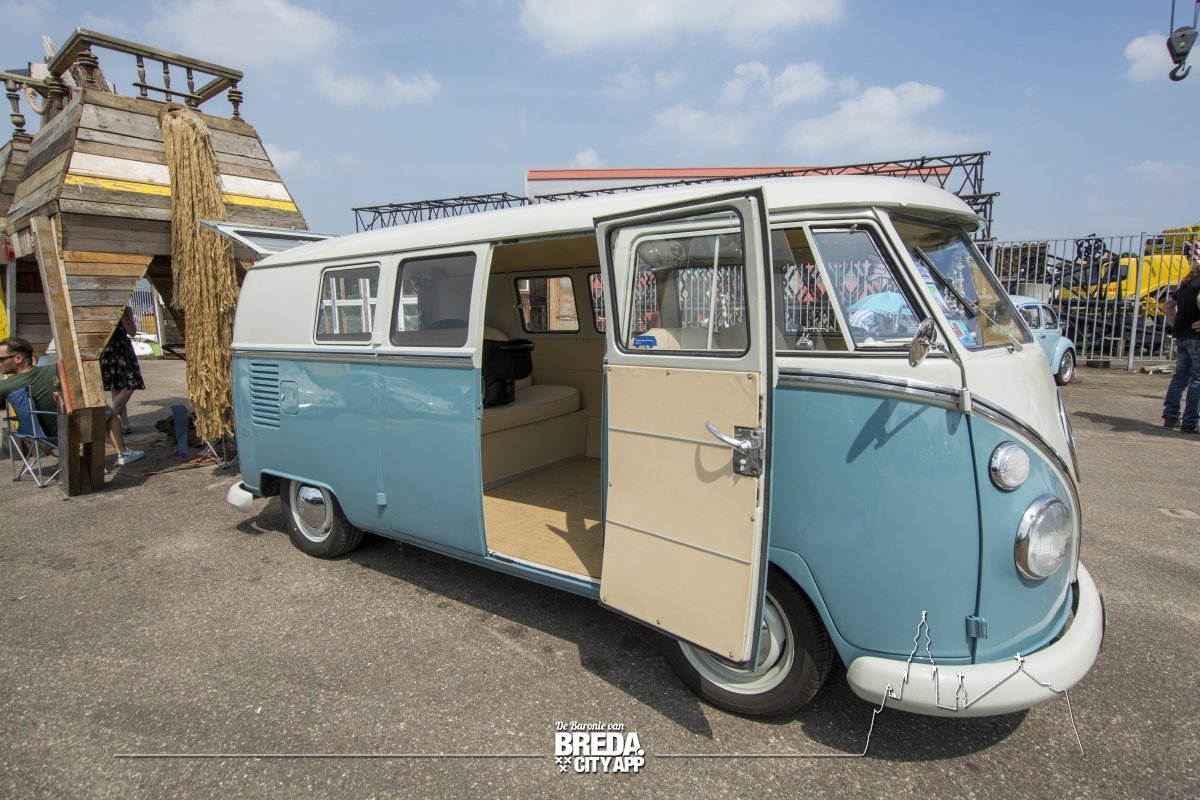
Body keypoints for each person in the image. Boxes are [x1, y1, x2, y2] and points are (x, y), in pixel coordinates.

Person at [1162, 246, 1200, 434]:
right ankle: (1190, 422)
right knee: (1197, 380)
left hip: (1182, 335)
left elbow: (1167, 306)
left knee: (1180, 377)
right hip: (1196, 338)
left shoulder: (1186, 284)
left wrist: (1176, 322)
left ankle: (1170, 417)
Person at [0, 337, 60, 437]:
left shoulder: (7, 385)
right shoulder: (55, 370)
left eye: (1, 359)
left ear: (18, 359)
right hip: (67, 432)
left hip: (42, 439)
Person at [99, 306, 146, 435]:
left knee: (131, 384)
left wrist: (122, 313)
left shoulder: (127, 310)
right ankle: (124, 423)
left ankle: (110, 415)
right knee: (116, 387)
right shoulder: (102, 309)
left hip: (123, 348)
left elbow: (132, 332)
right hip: (108, 349)